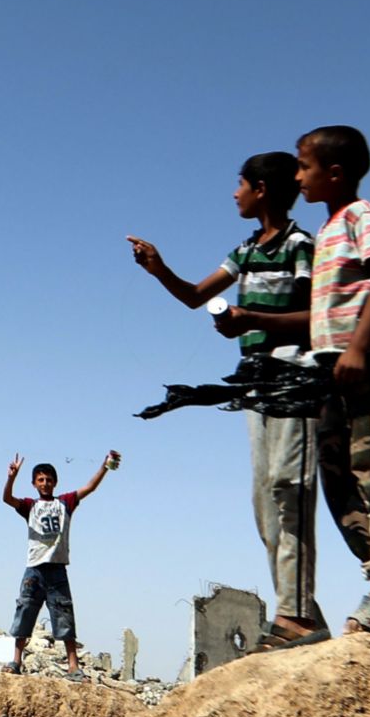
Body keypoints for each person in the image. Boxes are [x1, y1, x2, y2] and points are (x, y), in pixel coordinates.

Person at [128, 152, 324, 649]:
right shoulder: (245, 251)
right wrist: (158, 269)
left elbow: (314, 316)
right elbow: (197, 295)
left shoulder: (300, 246)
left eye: (240, 184)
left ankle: (296, 614)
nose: (234, 193)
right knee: (264, 502)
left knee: (290, 490)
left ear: (261, 189)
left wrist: (250, 319)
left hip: (295, 382)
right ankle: (301, 609)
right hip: (256, 387)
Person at [294, 125, 370, 634]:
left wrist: (358, 346)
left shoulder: (364, 216)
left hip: (361, 358)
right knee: (333, 467)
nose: (298, 176)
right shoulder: (324, 231)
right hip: (328, 362)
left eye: (305, 166)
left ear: (335, 172)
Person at [0, 451, 119, 678]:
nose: (45, 483)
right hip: (34, 569)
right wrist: (11, 477)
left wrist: (104, 467)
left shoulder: (65, 503)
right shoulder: (30, 506)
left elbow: (89, 488)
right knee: (25, 612)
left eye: (49, 480)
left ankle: (73, 666)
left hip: (57, 570)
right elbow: (7, 498)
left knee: (64, 615)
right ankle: (16, 661)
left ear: (55, 482)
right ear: (34, 483)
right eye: (41, 480)